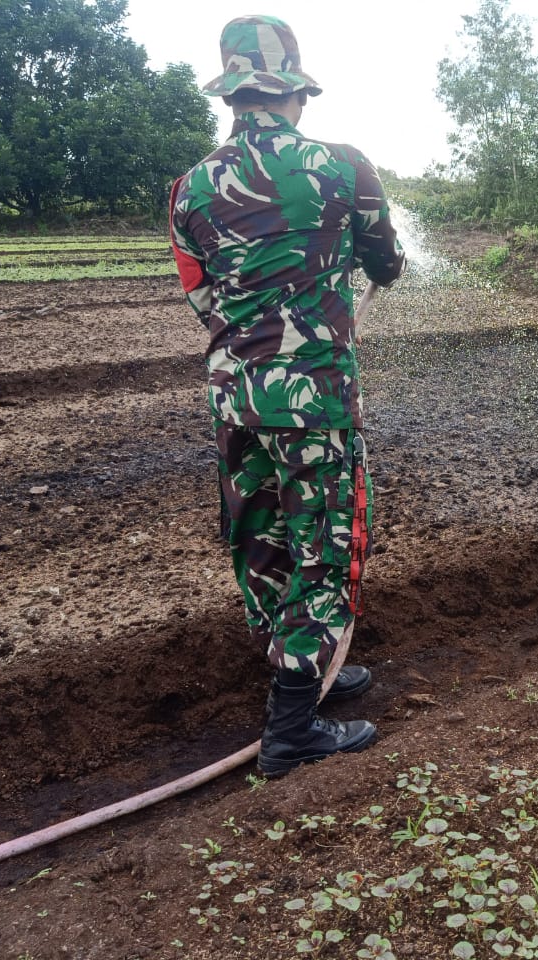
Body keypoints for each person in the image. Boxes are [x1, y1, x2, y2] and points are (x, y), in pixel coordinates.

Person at [169, 15, 406, 776]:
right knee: (325, 545)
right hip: (315, 403)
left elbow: (200, 299)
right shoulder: (343, 168)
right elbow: (388, 262)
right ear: (295, 93)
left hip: (235, 399)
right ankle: (292, 727)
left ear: (233, 96)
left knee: (262, 540)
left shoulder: (189, 189)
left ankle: (307, 668)